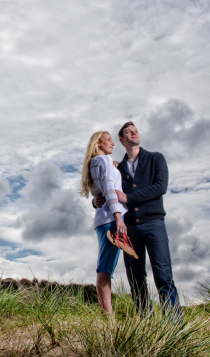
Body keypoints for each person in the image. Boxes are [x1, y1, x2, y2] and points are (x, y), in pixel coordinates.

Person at [94, 121, 181, 315]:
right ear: (122, 140)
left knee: (163, 275)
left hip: (154, 223)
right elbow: (105, 189)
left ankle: (174, 327)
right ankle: (145, 323)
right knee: (136, 278)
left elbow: (161, 187)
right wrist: (95, 201)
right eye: (129, 132)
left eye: (136, 131)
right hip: (130, 227)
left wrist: (129, 198)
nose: (134, 133)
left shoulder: (156, 159)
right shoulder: (117, 168)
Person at [80, 131, 128, 315]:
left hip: (102, 219)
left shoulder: (94, 163)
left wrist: (115, 167)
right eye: (108, 139)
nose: (113, 144)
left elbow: (97, 194)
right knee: (106, 267)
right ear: (98, 143)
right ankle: (108, 316)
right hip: (111, 218)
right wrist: (118, 216)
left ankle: (106, 314)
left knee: (106, 265)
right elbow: (109, 188)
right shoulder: (104, 161)